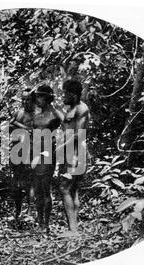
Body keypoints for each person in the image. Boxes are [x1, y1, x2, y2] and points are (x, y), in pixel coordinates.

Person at [57, 79, 90, 235]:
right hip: (69, 153)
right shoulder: (71, 109)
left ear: (73, 94)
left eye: (65, 93)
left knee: (65, 188)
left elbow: (79, 134)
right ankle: (74, 228)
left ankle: (73, 230)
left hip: (76, 153)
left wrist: (60, 147)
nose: (63, 96)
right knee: (73, 190)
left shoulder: (81, 109)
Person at [31, 84, 63, 234]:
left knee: (45, 188)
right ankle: (40, 220)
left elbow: (66, 123)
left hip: (47, 153)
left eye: (41, 96)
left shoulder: (54, 115)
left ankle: (46, 223)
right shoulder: (38, 114)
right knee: (37, 189)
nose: (38, 99)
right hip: (35, 152)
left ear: (48, 98)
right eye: (37, 96)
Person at [9, 88, 36, 221]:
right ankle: (18, 210)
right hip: (17, 150)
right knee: (17, 183)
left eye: (28, 99)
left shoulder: (37, 114)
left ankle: (30, 210)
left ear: (33, 100)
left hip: (30, 151)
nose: (25, 102)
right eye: (23, 99)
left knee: (29, 182)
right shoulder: (19, 112)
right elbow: (11, 123)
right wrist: (23, 128)